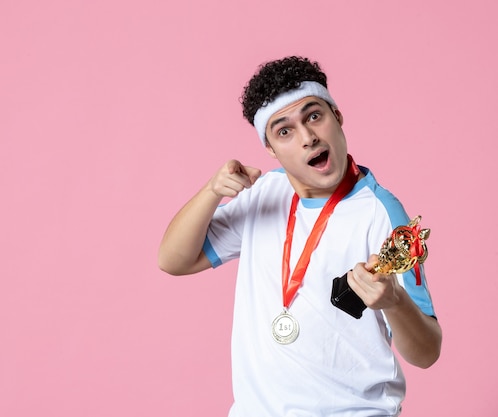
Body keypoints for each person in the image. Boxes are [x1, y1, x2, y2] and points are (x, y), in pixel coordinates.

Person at [157, 56, 441, 416]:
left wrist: (395, 303)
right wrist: (211, 192)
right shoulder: (264, 194)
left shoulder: (382, 212)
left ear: (337, 117)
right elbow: (172, 260)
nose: (308, 138)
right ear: (271, 150)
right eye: (284, 130)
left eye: (313, 116)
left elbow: (428, 352)